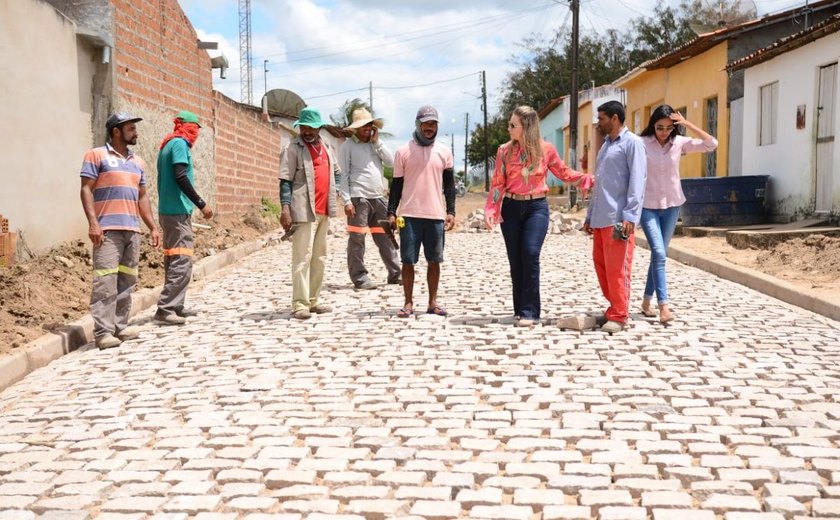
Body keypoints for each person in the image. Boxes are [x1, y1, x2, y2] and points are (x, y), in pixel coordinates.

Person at [484, 105, 594, 327]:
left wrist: (585, 179)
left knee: (530, 253)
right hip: (511, 208)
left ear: (526, 127)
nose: (509, 129)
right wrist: (491, 210)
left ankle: (530, 311)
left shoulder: (546, 150)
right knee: (516, 261)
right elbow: (498, 183)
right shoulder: (504, 151)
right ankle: (519, 309)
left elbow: (563, 172)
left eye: (513, 125)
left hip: (537, 208)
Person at [79, 112, 161, 350]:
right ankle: (103, 332)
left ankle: (119, 326)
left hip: (132, 231)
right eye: (131, 128)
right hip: (107, 231)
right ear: (116, 131)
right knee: (106, 281)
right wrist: (93, 223)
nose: (136, 132)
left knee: (126, 280)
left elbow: (142, 197)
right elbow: (85, 189)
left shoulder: (138, 163)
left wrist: (152, 227)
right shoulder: (96, 155)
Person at [639, 105, 717, 323]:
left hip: (673, 204)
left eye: (668, 128)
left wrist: (687, 124)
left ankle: (646, 302)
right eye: (659, 127)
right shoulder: (641, 143)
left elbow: (712, 144)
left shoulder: (680, 143)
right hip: (648, 205)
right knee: (659, 251)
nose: (663, 132)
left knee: (659, 254)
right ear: (652, 125)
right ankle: (664, 306)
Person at [583, 100, 647, 334]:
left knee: (618, 269)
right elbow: (600, 185)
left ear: (615, 118)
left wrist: (630, 217)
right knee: (602, 268)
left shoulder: (632, 144)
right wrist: (590, 216)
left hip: (619, 219)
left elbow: (637, 183)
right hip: (601, 217)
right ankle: (613, 308)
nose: (598, 123)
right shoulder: (606, 146)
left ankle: (620, 315)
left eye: (601, 118)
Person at [387, 105, 456, 318]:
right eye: (426, 123)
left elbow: (450, 186)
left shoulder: (444, 152)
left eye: (433, 123)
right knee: (408, 261)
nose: (429, 128)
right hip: (409, 215)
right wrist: (392, 211)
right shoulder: (403, 151)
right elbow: (396, 185)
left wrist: (451, 211)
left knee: (434, 260)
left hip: (435, 216)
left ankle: (432, 302)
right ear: (418, 124)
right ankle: (408, 303)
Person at [154, 110, 213, 325]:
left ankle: (175, 305)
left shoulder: (167, 144)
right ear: (186, 126)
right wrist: (201, 203)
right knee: (182, 259)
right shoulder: (179, 144)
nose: (195, 133)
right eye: (195, 128)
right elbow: (180, 176)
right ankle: (166, 308)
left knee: (173, 258)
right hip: (177, 210)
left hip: (168, 210)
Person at [280, 107, 339, 320]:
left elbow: (337, 173)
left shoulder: (327, 148)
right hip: (303, 209)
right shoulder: (292, 148)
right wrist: (285, 208)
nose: (306, 131)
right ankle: (300, 304)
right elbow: (285, 180)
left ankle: (314, 300)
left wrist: (336, 191)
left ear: (319, 128)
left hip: (324, 210)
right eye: (303, 127)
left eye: (311, 127)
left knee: (319, 257)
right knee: (302, 257)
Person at [338, 107, 401, 290]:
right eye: (364, 126)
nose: (367, 129)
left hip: (379, 198)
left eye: (369, 126)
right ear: (356, 128)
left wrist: (377, 143)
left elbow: (392, 162)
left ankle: (395, 274)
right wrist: (347, 200)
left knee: (386, 237)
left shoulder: (376, 144)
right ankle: (360, 277)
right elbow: (343, 176)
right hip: (358, 199)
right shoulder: (347, 146)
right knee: (357, 239)